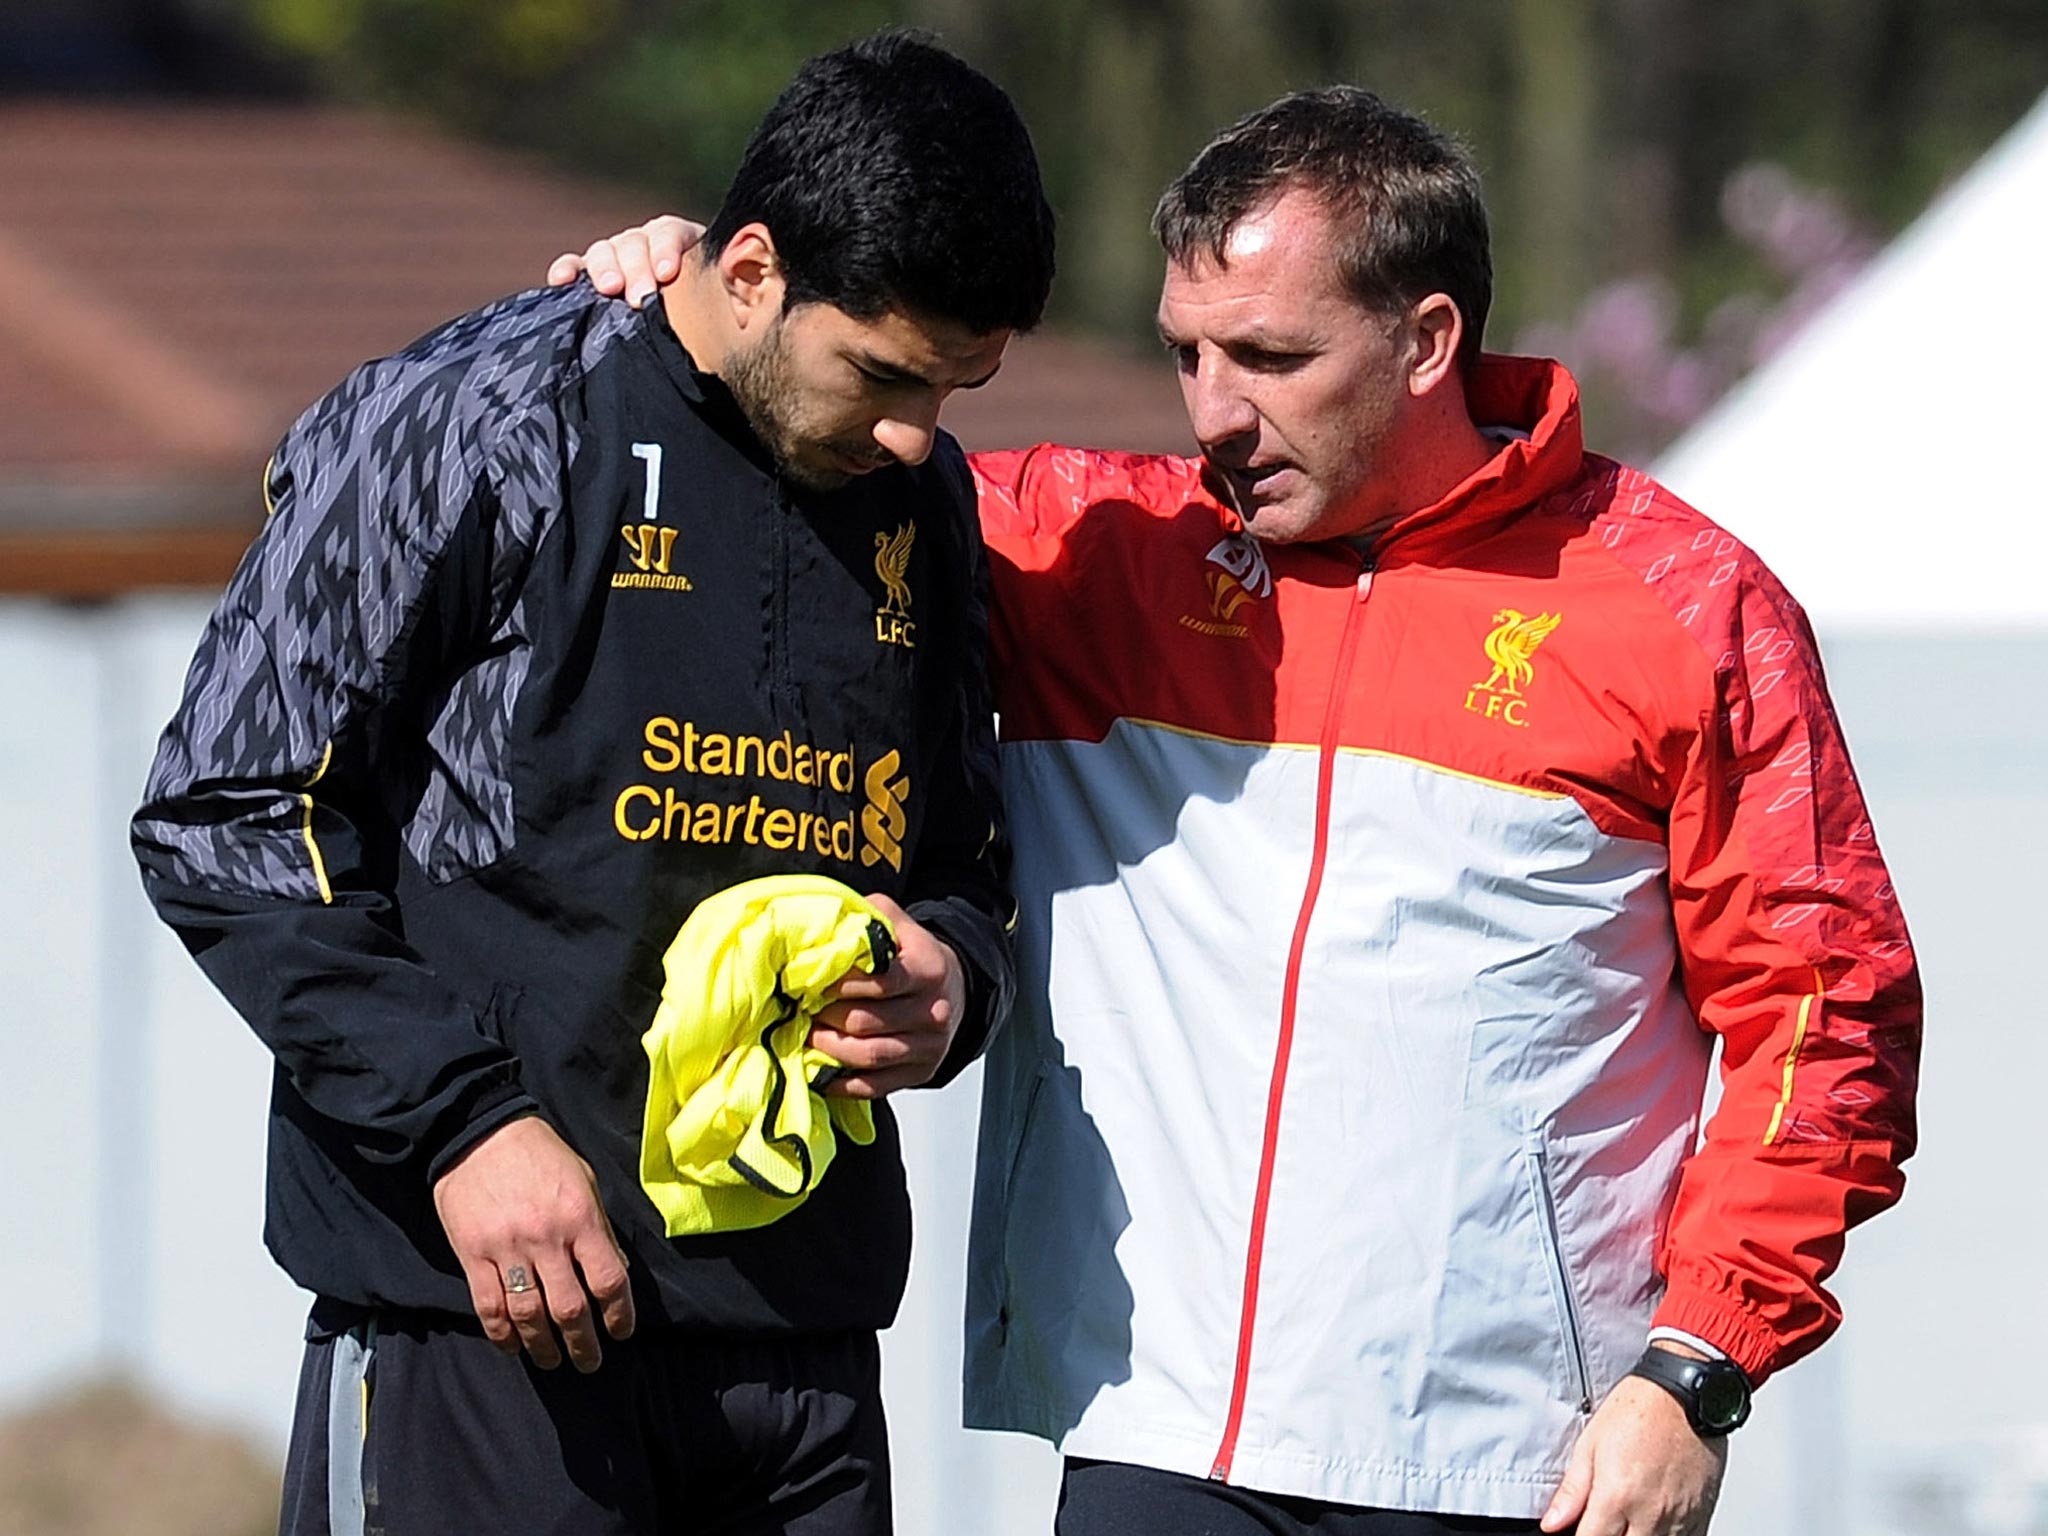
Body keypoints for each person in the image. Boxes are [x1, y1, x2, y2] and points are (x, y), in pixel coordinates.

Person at [563, 84, 1920, 1536]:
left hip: (1518, 1462)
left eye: (1270, 357)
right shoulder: (1088, 547)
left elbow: (1827, 1017)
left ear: (1426, 343)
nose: (1215, 412)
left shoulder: (1688, 609)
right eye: (1188, 355)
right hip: (1152, 1432)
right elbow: (802, 434)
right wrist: (706, 291)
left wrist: (1697, 1368)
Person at [132, 31, 1054, 1536]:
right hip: (486, 1332)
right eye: (884, 373)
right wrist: (461, 1130)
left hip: (804, 1359)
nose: (917, 431)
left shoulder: (926, 501)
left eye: (957, 385)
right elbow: (226, 814)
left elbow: (964, 861)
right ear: (748, 268)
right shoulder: (476, 418)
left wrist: (956, 983)